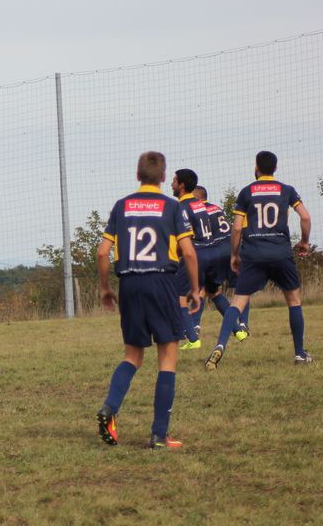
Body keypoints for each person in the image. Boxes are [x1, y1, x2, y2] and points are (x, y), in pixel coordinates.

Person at [95, 152, 199, 450]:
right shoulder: (172, 206)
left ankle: (110, 408)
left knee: (132, 355)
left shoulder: (122, 205)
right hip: (162, 282)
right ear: (165, 178)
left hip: (129, 283)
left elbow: (103, 252)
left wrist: (105, 288)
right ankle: (159, 435)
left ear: (138, 175)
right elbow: (188, 252)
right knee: (167, 357)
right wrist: (194, 288)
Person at [205, 151, 313, 370]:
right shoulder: (287, 190)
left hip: (253, 254)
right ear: (275, 168)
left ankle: (219, 345)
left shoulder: (247, 192)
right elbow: (305, 216)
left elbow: (236, 228)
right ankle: (300, 354)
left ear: (257, 167)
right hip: (281, 252)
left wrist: (235, 254)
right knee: (293, 300)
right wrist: (304, 242)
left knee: (238, 302)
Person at [193, 186, 247, 340]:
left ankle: (194, 327)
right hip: (231, 247)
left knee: (204, 289)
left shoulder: (197, 210)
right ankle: (242, 325)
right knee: (240, 288)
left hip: (215, 250)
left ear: (196, 198)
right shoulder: (216, 208)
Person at [170, 169, 209, 350]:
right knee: (205, 293)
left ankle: (192, 338)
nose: (172, 184)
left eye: (174, 181)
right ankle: (238, 328)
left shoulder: (181, 207)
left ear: (182, 185)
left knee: (178, 298)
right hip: (209, 253)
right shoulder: (199, 204)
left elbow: (187, 238)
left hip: (194, 255)